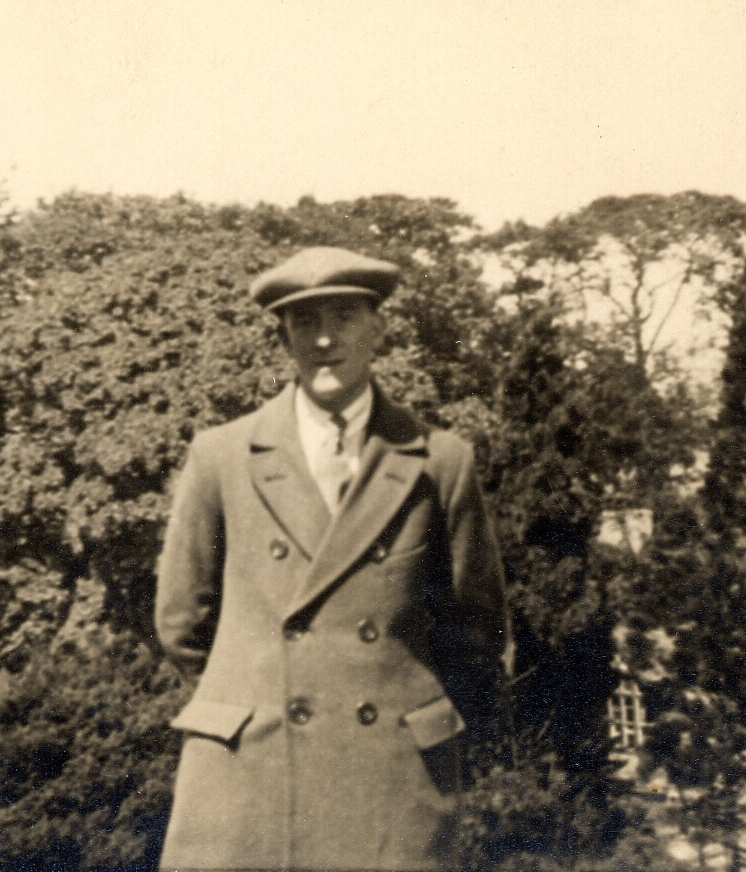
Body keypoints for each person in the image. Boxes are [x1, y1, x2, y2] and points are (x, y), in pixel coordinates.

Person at [155, 246, 510, 871]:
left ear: (378, 329)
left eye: (344, 317)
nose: (324, 339)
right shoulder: (222, 456)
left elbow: (475, 631)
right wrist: (259, 692)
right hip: (250, 774)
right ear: (283, 338)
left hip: (391, 777)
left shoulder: (439, 460)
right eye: (304, 322)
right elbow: (183, 622)